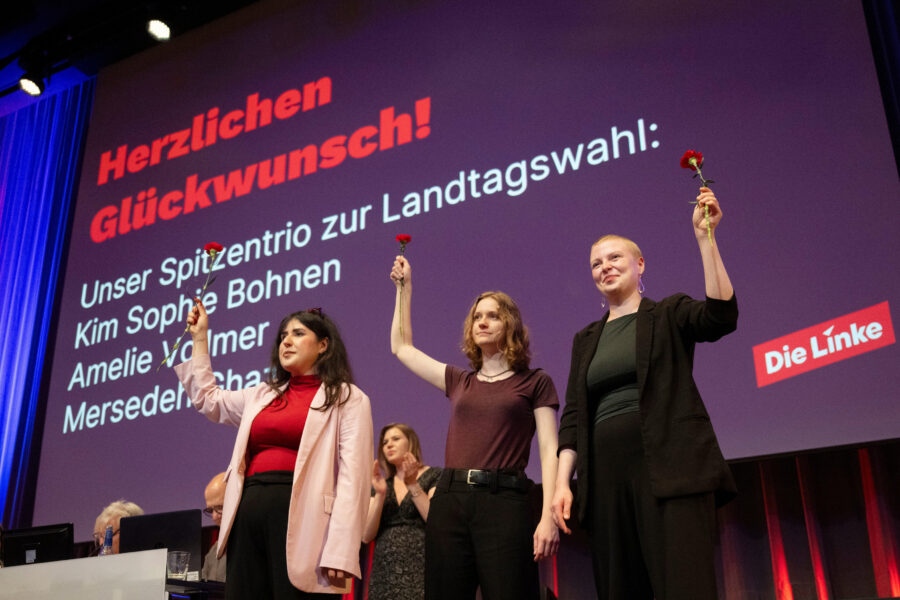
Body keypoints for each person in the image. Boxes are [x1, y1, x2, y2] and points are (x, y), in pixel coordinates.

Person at [552, 187, 738, 600]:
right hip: (606, 482)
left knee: (685, 586)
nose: (605, 267)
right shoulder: (585, 339)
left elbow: (720, 317)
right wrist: (563, 483)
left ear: (640, 264)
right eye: (596, 263)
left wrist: (706, 240)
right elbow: (574, 416)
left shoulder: (668, 313)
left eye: (614, 258)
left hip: (671, 470)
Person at [175, 302, 373, 599]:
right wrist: (200, 338)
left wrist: (341, 549)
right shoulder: (262, 394)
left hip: (303, 517)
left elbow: (353, 478)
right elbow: (208, 400)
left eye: (298, 334)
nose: (286, 341)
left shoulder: (347, 397)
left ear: (323, 345)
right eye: (283, 336)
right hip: (248, 513)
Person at [389, 259, 560, 600]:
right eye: (477, 316)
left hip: (504, 501)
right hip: (451, 500)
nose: (482, 321)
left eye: (493, 316)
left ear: (510, 324)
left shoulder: (534, 382)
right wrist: (403, 289)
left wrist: (548, 517)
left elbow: (548, 449)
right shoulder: (459, 380)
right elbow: (401, 348)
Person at [363, 423, 441, 600]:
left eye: (396, 439)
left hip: (419, 565)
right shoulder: (382, 484)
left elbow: (434, 520)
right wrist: (380, 495)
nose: (389, 445)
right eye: (385, 442)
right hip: (384, 571)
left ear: (410, 442)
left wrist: (412, 484)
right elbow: (366, 535)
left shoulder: (434, 475)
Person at [201, 471, 227, 582]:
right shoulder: (214, 551)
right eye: (211, 510)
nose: (214, 517)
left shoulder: (251, 545)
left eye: (220, 507)